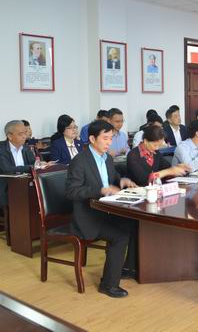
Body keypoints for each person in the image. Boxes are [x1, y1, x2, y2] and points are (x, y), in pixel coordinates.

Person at [66, 120, 138, 298]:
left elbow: (111, 178)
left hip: (105, 212)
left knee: (136, 224)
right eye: (105, 138)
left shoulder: (107, 158)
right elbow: (72, 191)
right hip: (87, 217)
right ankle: (108, 284)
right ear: (92, 139)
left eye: (111, 138)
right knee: (120, 236)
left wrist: (121, 181)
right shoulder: (79, 161)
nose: (109, 142)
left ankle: (127, 268)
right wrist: (100, 190)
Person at [0, 120, 36, 206]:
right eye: (20, 134)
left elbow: (34, 163)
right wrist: (32, 167)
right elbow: (8, 170)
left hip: (25, 185)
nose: (24, 136)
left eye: (25, 132)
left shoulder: (26, 148)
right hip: (7, 188)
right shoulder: (0, 150)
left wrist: (41, 164)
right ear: (9, 136)